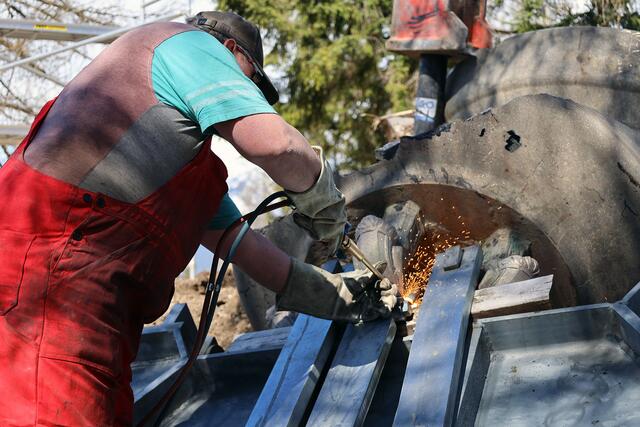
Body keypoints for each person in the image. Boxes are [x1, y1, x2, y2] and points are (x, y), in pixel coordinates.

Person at [0, 11, 397, 426]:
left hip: (88, 307)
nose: (247, 94)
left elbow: (237, 243)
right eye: (251, 81)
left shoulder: (168, 157)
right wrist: (325, 202)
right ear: (229, 50)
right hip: (44, 290)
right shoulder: (184, 43)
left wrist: (336, 294)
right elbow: (277, 145)